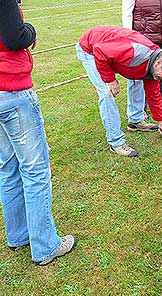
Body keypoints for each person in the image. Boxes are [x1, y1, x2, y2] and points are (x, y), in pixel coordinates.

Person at [0, 0, 77, 266]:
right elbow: (14, 36)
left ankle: (18, 234)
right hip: (11, 92)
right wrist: (30, 30)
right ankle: (45, 245)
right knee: (35, 171)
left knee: (8, 168)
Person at [76, 25, 162, 157]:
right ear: (158, 63)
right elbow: (100, 50)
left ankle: (136, 120)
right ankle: (116, 142)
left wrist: (161, 123)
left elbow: (154, 95)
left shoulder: (154, 66)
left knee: (137, 78)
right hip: (90, 48)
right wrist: (110, 80)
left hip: (109, 52)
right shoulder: (135, 52)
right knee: (107, 93)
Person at [122, 0, 162, 114]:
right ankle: (141, 109)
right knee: (142, 73)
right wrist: (129, 37)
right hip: (144, 36)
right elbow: (127, 12)